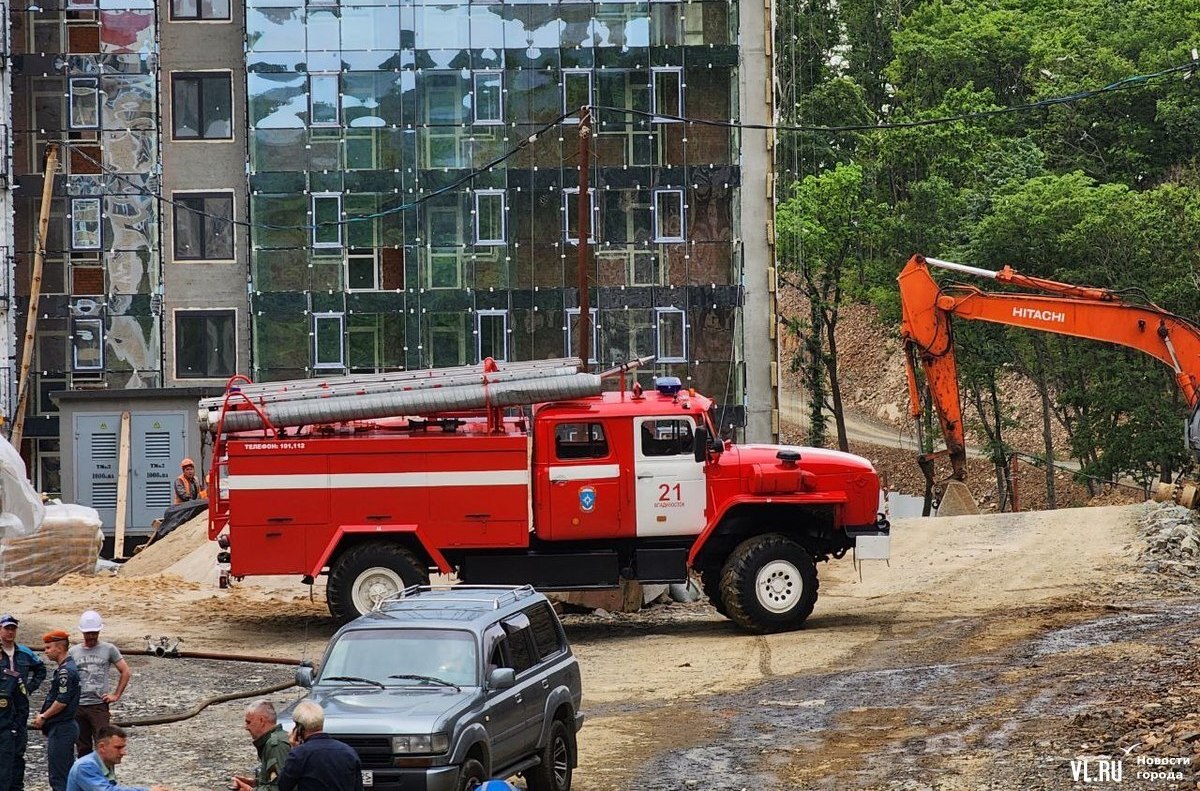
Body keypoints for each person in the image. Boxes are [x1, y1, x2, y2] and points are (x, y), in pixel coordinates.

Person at [69, 611, 131, 759]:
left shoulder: (109, 649)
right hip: (79, 705)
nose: (91, 636)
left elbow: (125, 671)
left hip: (98, 705)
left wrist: (116, 695)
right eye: (88, 633)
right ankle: (87, 779)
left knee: (104, 745)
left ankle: (106, 779)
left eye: (94, 633)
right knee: (83, 747)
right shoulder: (73, 651)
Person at [1, 614, 46, 791]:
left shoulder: (25, 653)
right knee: (3, 756)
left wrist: (29, 687)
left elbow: (40, 669)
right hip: (2, 710)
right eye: (7, 628)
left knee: (18, 753)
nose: (10, 632)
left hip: (20, 710)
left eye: (13, 628)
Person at [277, 700, 362, 791]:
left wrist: (294, 748)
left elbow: (284, 785)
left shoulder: (299, 755)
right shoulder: (348, 752)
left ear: (299, 728)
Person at [32, 631, 80, 791]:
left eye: (48, 647)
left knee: (60, 777)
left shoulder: (66, 671)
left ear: (59, 648)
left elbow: (61, 701)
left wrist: (44, 716)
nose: (45, 651)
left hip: (62, 727)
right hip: (62, 727)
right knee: (62, 773)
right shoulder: (66, 668)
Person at [65, 725, 169, 791]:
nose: (123, 752)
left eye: (123, 747)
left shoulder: (105, 763)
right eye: (118, 748)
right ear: (102, 747)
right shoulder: (85, 766)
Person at [232, 700, 291, 791]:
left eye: (248, 722)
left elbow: (278, 787)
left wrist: (250, 790)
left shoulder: (276, 745)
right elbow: (273, 779)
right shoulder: (275, 740)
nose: (246, 727)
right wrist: (254, 783)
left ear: (261, 720)